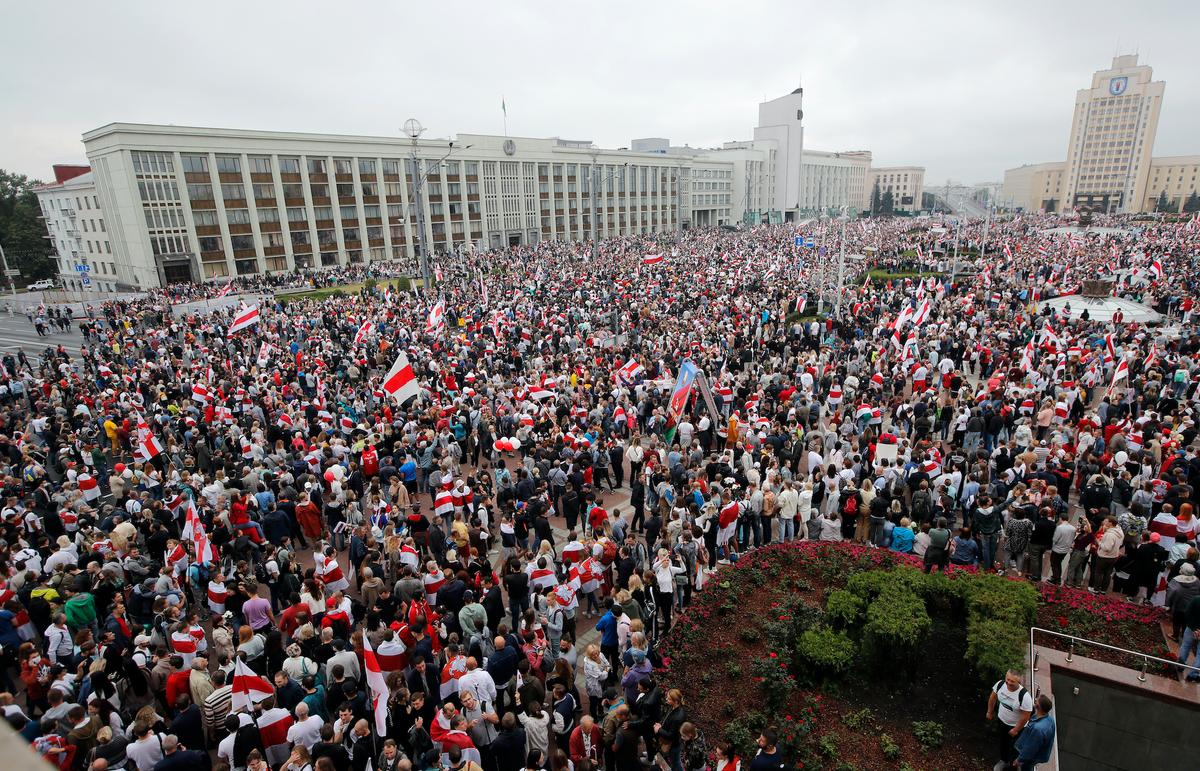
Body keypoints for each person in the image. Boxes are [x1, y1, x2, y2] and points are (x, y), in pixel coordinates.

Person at [986, 669, 1033, 771]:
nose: (1008, 683)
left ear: (1018, 682)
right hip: (1002, 720)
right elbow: (992, 698)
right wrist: (989, 711)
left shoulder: (1024, 697)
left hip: (1017, 726)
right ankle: (1004, 760)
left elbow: (1026, 716)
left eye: (1012, 681)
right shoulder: (1000, 685)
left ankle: (1015, 765)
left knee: (1015, 746)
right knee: (1003, 742)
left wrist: (1016, 729)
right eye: (1008, 679)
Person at [1013, 695, 1055, 770]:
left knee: (1026, 768)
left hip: (1032, 757)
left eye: (1036, 700)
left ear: (1037, 706)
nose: (1035, 700)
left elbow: (1030, 749)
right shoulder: (1050, 719)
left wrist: (1019, 760)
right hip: (1040, 754)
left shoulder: (1038, 729)